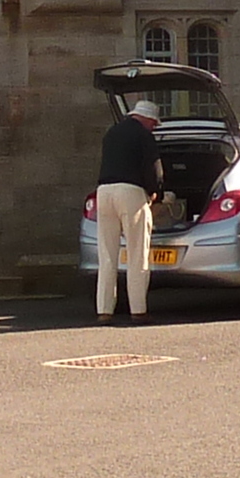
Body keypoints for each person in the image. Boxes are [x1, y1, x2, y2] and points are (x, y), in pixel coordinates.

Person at [95, 95, 167, 323]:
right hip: (131, 193)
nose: (154, 127)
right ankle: (138, 311)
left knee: (106, 255)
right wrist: (157, 193)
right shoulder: (143, 135)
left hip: (104, 192)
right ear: (146, 119)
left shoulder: (111, 133)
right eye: (154, 123)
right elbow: (154, 170)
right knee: (137, 253)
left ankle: (104, 310)